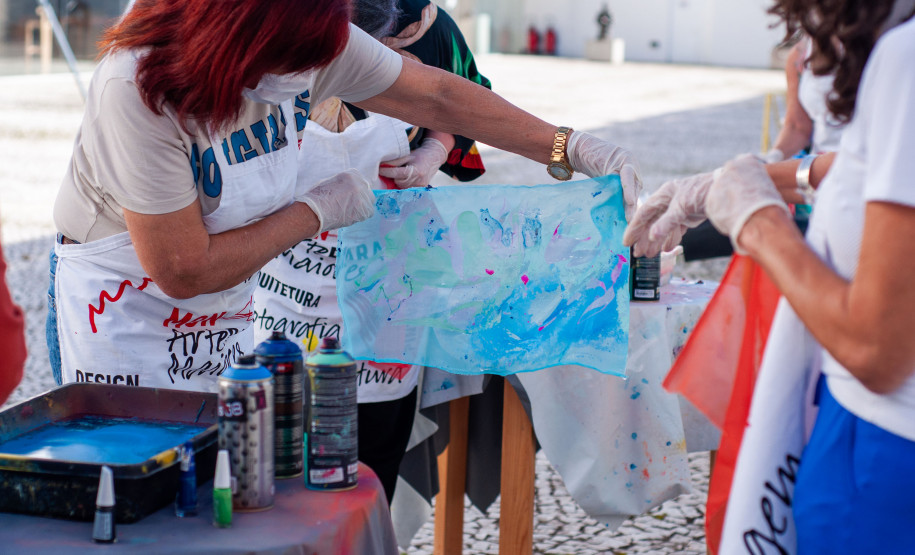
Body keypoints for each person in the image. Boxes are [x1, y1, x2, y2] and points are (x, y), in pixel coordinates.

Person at [48, 0, 641, 392]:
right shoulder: (139, 87)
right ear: (233, 37)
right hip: (124, 305)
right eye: (290, 66)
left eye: (315, 65)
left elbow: (437, 96)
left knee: (224, 489)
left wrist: (569, 146)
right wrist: (314, 212)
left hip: (223, 314)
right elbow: (183, 268)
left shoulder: (307, 36)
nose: (305, 81)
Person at [625, 0, 915, 551]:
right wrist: (736, 181)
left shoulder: (906, 55)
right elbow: (862, 164)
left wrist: (757, 221)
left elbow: (875, 349)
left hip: (884, 445)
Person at [253, 0, 491, 504]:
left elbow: (464, 102)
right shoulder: (276, 28)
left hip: (389, 283)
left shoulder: (432, 29)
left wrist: (434, 151)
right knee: (279, 456)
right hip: (289, 279)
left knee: (371, 469)